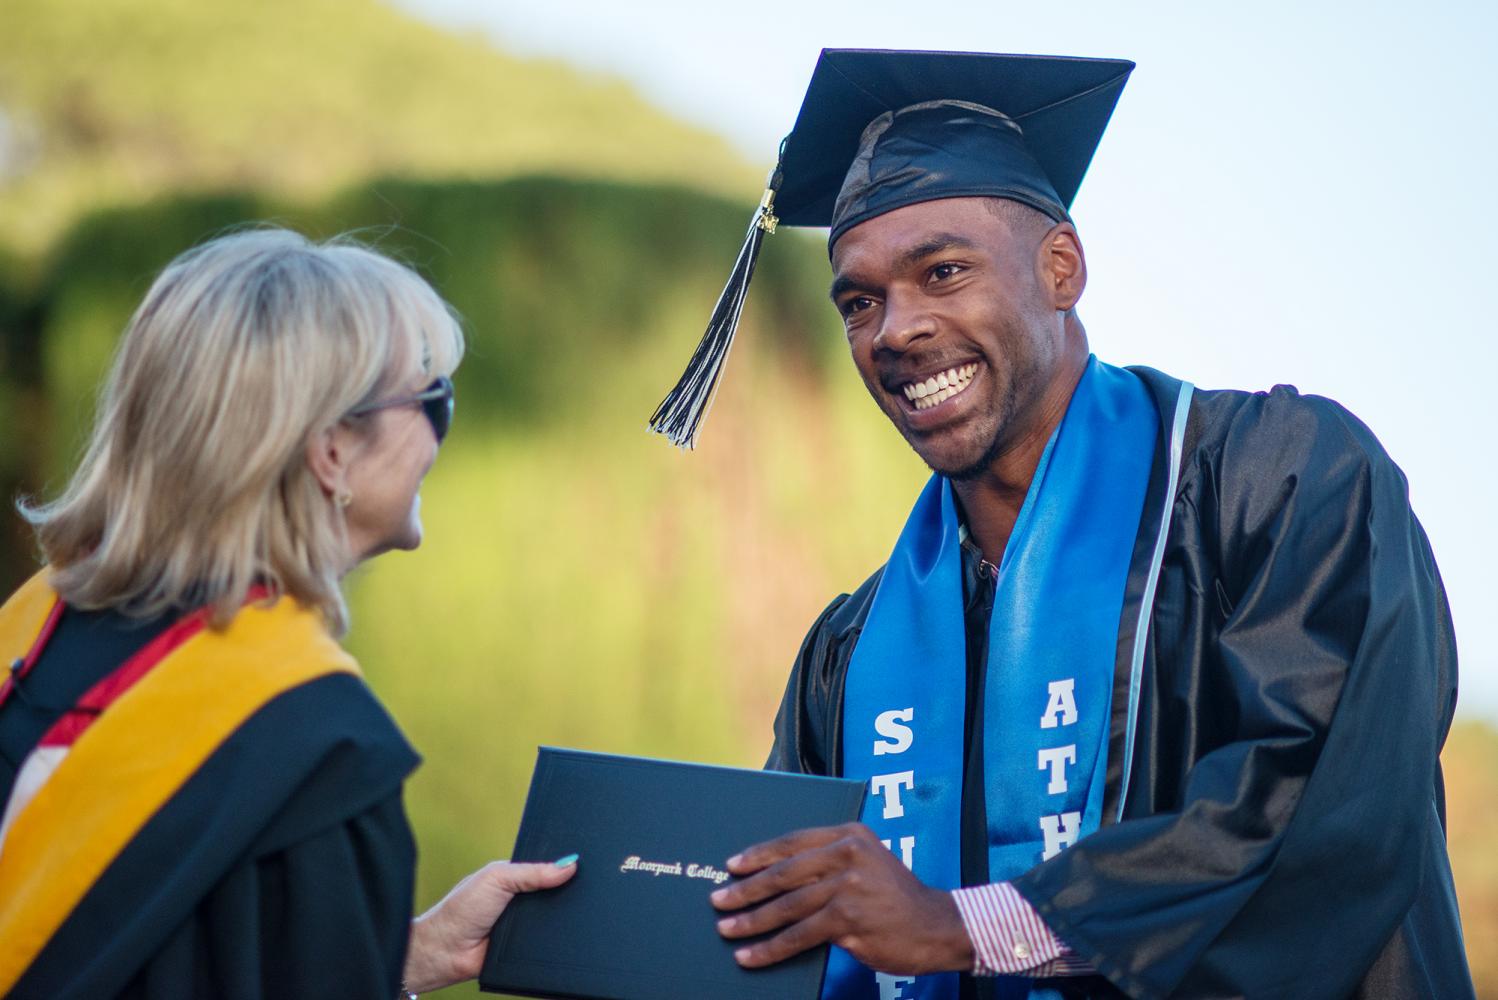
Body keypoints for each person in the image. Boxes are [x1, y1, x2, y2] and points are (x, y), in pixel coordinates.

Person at [648, 50, 1473, 998]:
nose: (894, 331)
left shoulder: (1278, 479)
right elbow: (781, 919)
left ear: (1061, 268)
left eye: (944, 271)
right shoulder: (852, 650)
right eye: (860, 301)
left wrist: (967, 924)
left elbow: (1324, 796)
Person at [0, 228, 575, 998]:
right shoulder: (319, 745)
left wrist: (406, 954)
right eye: (433, 401)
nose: (442, 437)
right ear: (332, 451)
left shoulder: (36, 628)